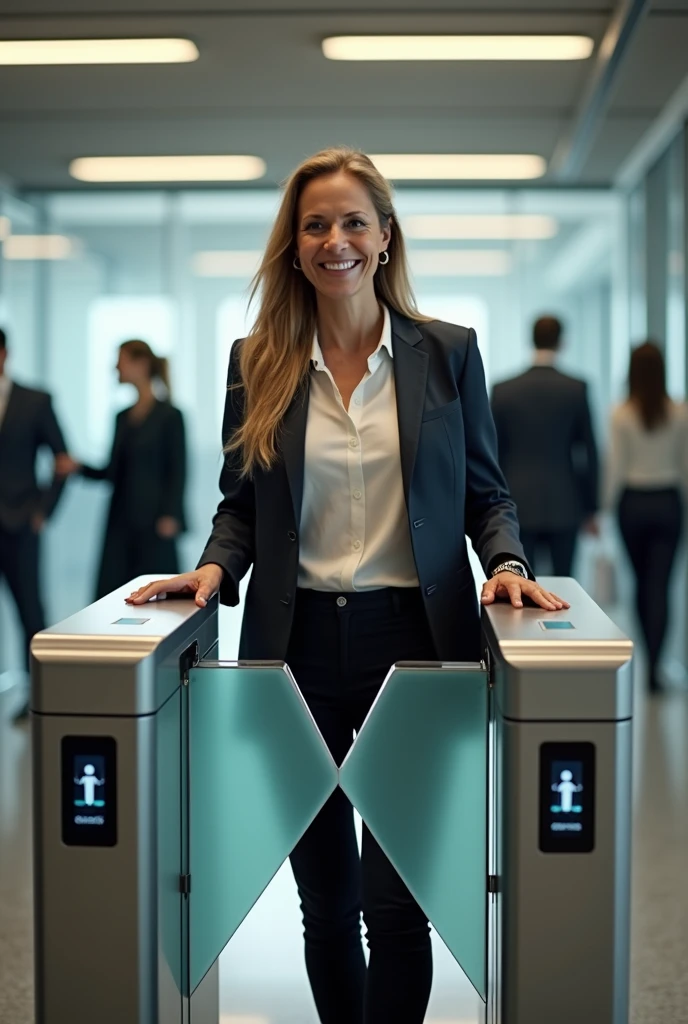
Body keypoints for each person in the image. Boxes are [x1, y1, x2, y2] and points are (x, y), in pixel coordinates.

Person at [125, 147, 568, 1024]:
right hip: (294, 653)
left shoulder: (447, 354)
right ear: (294, 247)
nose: (337, 240)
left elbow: (487, 493)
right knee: (326, 904)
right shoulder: (259, 361)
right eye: (316, 225)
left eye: (354, 221)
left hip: (414, 643)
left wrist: (508, 564)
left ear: (386, 236)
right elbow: (242, 505)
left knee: (398, 908)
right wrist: (214, 569)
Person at [58, 340, 187, 598]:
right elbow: (112, 473)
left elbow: (178, 470)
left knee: (158, 595)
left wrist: (171, 514)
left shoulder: (170, 416)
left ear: (141, 364)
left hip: (154, 524)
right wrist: (79, 467)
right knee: (114, 594)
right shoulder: (122, 417)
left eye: (122, 360)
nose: (116, 366)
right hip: (121, 522)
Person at [607, 342, 688, 693]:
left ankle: (649, 662)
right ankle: (656, 667)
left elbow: (615, 468)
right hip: (668, 502)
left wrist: (603, 508)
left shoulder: (620, 414)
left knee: (641, 584)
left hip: (633, 503)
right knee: (661, 585)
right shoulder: (679, 413)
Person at [491, 315, 599, 577]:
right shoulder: (576, 388)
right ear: (562, 342)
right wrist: (591, 507)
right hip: (565, 501)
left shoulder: (503, 390)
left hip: (515, 504)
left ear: (531, 340)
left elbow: (492, 452)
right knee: (565, 585)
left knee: (523, 586)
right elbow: (588, 452)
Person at [0, 328, 70, 721]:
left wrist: (43, 510)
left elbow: (63, 460)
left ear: (4, 354)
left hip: (19, 524)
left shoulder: (35, 401)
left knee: (30, 612)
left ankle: (37, 699)